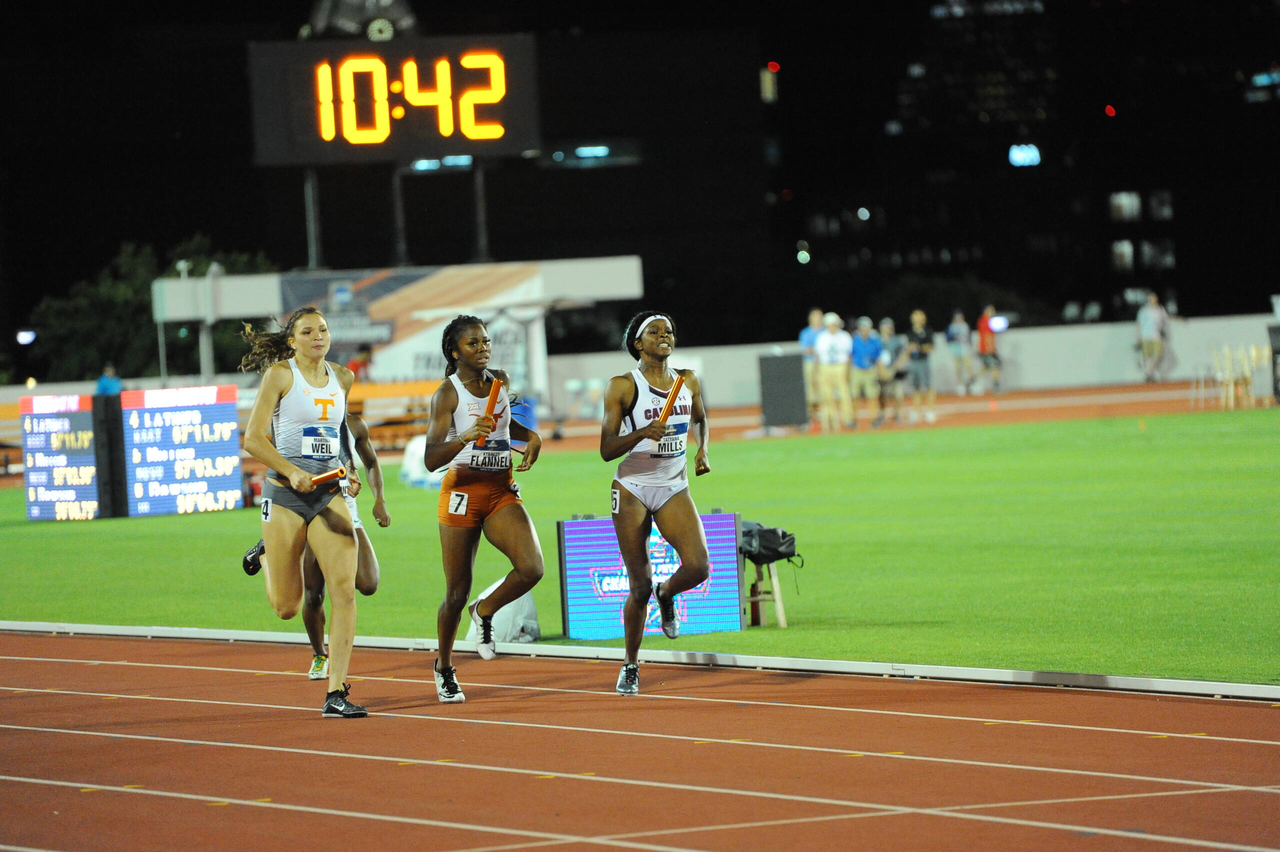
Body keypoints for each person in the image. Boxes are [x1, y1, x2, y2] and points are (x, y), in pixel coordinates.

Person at [240, 307, 365, 718]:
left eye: (324, 329)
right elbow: (253, 439)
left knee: (344, 591)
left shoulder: (343, 378)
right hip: (284, 495)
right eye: (308, 331)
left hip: (329, 494)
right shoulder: (281, 374)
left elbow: (338, 436)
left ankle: (336, 692)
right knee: (287, 607)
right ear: (292, 341)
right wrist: (291, 471)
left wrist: (351, 472)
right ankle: (266, 552)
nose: (318, 336)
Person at [423, 315, 544, 703]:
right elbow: (430, 457)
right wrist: (463, 438)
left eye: (486, 341)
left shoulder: (499, 382)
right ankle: (444, 668)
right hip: (462, 492)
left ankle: (485, 610)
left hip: (500, 490)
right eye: (473, 343)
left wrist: (532, 437)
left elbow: (504, 426)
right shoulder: (448, 394)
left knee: (532, 567)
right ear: (454, 352)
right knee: (455, 592)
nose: (483, 348)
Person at [600, 312, 711, 695]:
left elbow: (700, 419)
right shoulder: (622, 386)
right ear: (637, 343)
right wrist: (643, 432)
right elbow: (605, 449)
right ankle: (630, 664)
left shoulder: (687, 380)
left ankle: (669, 593)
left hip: (673, 486)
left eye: (669, 331)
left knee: (698, 566)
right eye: (655, 332)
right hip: (632, 487)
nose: (664, 336)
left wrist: (703, 451)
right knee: (638, 585)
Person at [241, 412, 391, 681]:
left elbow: (371, 462)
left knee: (368, 583)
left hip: (346, 511)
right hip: (309, 511)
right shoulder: (297, 422)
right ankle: (320, 654)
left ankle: (268, 550)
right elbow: (279, 464)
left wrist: (379, 499)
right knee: (313, 594)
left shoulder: (354, 425)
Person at [813, 312, 855, 431]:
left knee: (844, 393)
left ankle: (848, 419)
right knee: (826, 396)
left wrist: (848, 370)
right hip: (825, 367)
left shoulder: (844, 336)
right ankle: (830, 421)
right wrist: (817, 372)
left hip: (840, 366)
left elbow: (849, 355)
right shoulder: (821, 337)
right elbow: (818, 356)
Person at [872, 318, 908, 427]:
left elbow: (903, 354)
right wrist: (881, 369)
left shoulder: (896, 340)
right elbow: (874, 356)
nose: (887, 329)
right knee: (881, 394)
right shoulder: (877, 340)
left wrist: (895, 367)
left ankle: (896, 414)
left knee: (898, 394)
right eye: (885, 327)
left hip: (894, 369)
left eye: (889, 327)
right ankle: (882, 414)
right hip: (880, 369)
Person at [905, 310, 937, 424]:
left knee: (928, 386)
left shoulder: (928, 331)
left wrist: (919, 348)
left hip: (923, 360)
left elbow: (931, 347)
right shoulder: (910, 332)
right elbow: (909, 348)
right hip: (913, 361)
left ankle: (931, 410)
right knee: (916, 387)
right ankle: (916, 410)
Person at [849, 317, 882, 427]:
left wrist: (880, 371)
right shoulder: (854, 340)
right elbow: (850, 356)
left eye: (866, 328)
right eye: (862, 328)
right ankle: (853, 419)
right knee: (854, 396)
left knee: (872, 396)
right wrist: (848, 371)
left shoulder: (875, 341)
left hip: (870, 370)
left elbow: (878, 357)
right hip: (857, 370)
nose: (864, 330)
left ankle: (874, 419)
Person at [798, 308, 824, 428]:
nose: (817, 319)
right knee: (810, 392)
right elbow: (806, 350)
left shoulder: (825, 331)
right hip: (810, 363)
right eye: (815, 316)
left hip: (823, 364)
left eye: (819, 316)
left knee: (823, 390)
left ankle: (823, 417)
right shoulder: (805, 333)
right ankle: (811, 417)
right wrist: (818, 350)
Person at [1136, 291, 1170, 382]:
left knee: (1157, 354)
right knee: (1147, 356)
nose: (1152, 300)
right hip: (1145, 336)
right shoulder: (1143, 311)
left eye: (1154, 298)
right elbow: (1139, 324)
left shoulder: (1160, 310)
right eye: (1151, 298)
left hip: (1156, 336)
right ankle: (1149, 374)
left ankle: (1148, 373)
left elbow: (1166, 321)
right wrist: (1138, 337)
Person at [946, 310, 974, 395]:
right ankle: (960, 385)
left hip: (964, 349)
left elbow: (968, 338)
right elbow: (948, 338)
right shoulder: (951, 327)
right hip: (956, 350)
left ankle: (972, 384)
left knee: (968, 366)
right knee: (958, 368)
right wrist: (954, 338)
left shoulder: (965, 326)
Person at [976, 304, 1001, 394]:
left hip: (985, 349)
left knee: (987, 367)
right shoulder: (986, 321)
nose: (993, 312)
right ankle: (996, 385)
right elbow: (987, 336)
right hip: (987, 349)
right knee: (995, 366)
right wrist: (989, 349)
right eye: (992, 310)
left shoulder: (983, 320)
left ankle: (974, 381)